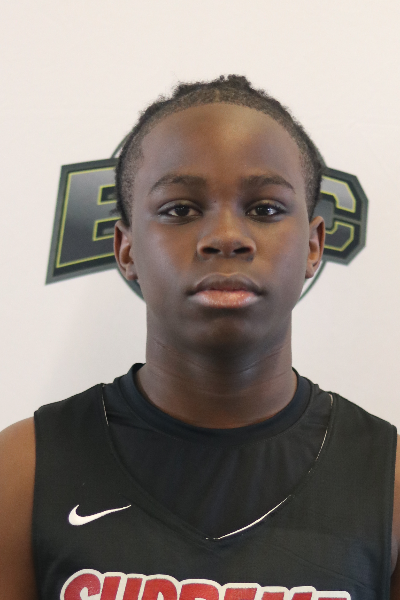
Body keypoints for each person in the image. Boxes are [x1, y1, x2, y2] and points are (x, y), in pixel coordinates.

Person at [1, 75, 399, 600]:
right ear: (125, 250)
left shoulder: (388, 480)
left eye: (265, 209)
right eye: (180, 210)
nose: (226, 237)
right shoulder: (23, 469)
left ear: (313, 246)